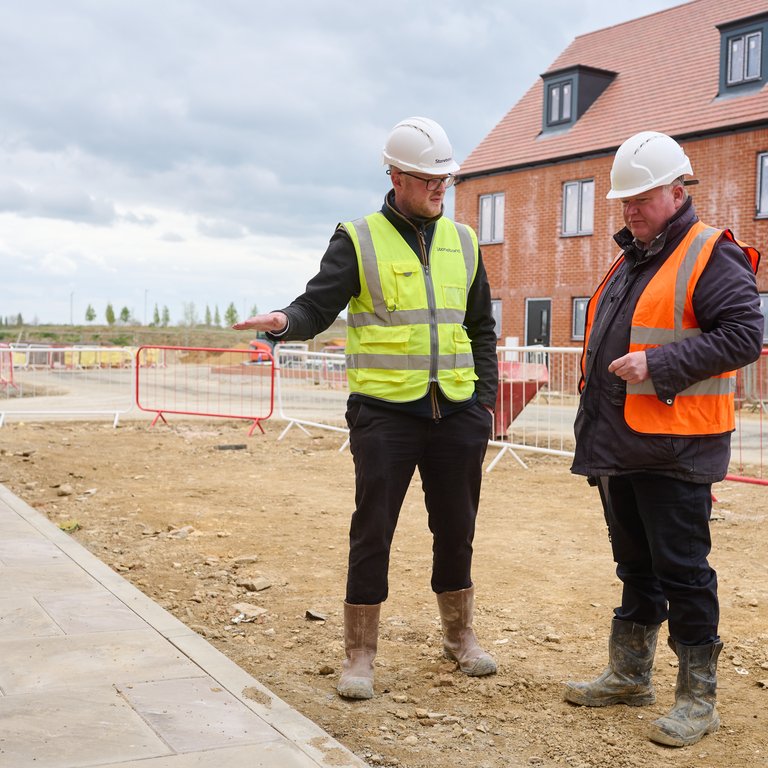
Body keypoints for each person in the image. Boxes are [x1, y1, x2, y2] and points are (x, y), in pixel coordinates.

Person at [233, 116, 499, 700]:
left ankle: (460, 637)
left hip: (456, 413)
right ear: (397, 177)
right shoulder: (357, 239)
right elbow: (316, 305)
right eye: (429, 178)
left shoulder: (465, 242)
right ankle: (360, 655)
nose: (440, 187)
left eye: (446, 178)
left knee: (456, 530)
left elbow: (481, 328)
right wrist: (283, 323)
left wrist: (486, 403)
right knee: (372, 530)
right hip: (385, 415)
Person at [565, 130, 762, 747]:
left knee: (683, 570)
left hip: (677, 448)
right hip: (624, 444)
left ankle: (697, 699)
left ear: (678, 191)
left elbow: (743, 335)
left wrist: (657, 365)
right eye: (624, 201)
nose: (630, 211)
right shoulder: (636, 255)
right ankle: (630, 674)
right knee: (636, 567)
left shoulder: (709, 253)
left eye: (641, 198)